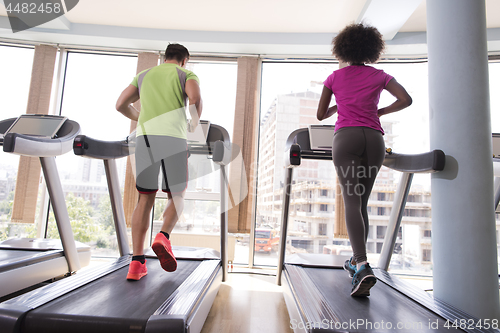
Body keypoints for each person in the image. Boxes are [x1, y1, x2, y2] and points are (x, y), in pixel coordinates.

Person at [317, 23, 412, 297]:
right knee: (362, 204)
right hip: (374, 139)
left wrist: (343, 103)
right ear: (373, 49)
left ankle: (361, 265)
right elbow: (406, 99)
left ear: (343, 48)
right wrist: (378, 110)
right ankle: (357, 261)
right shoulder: (380, 75)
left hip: (346, 138)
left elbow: (321, 115)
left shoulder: (334, 77)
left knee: (351, 201)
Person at [116, 43, 202, 281]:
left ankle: (136, 263)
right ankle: (163, 235)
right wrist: (192, 125)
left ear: (165, 57)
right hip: (173, 138)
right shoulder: (186, 74)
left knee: (145, 198)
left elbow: (120, 104)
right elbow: (194, 98)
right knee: (177, 195)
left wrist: (141, 119)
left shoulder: (143, 75)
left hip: (145, 139)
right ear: (184, 60)